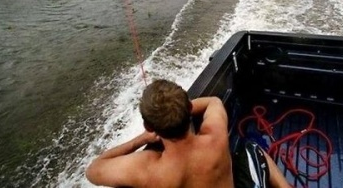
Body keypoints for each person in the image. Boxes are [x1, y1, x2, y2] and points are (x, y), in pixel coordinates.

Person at [85, 79, 290, 188]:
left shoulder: (147, 168)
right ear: (190, 110)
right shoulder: (215, 136)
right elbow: (214, 102)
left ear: (149, 127)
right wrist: (181, 106)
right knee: (250, 148)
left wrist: (142, 139)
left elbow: (93, 171)